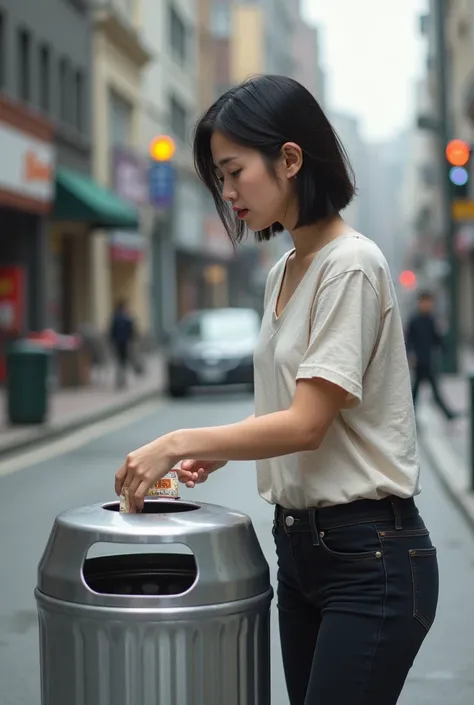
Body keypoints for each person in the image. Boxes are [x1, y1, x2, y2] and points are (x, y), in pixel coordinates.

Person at [115, 75, 439, 705]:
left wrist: (180, 439)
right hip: (299, 553)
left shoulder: (352, 265)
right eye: (220, 177)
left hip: (369, 557)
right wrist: (222, 446)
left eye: (235, 172)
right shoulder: (284, 271)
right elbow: (290, 408)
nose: (228, 193)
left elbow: (307, 423)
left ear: (290, 159)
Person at [406, 290, 457, 420]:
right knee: (415, 393)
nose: (428, 305)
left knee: (434, 392)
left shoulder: (432, 320)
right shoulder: (414, 320)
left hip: (429, 362)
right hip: (418, 363)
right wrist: (411, 355)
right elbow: (408, 341)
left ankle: (448, 414)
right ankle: (409, 417)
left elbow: (438, 340)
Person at [109, 299, 135, 389]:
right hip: (124, 343)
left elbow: (111, 332)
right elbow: (132, 332)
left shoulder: (116, 318)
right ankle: (122, 380)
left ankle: (120, 380)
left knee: (119, 362)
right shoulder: (126, 318)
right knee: (123, 362)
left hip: (118, 343)